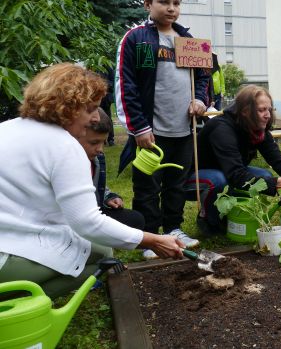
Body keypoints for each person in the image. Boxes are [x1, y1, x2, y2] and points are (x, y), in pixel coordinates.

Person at [0, 64, 183, 298]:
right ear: (68, 108)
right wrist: (153, 240)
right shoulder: (63, 145)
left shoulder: (8, 128)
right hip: (7, 257)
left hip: (12, 235)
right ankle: (18, 297)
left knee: (101, 249)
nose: (96, 117)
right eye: (92, 109)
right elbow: (87, 222)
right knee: (104, 262)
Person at [115, 0, 210, 259]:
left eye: (176, 3)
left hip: (183, 129)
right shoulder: (137, 39)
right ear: (148, 4)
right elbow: (126, 85)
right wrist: (138, 128)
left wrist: (201, 100)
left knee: (176, 183)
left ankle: (174, 227)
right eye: (164, 2)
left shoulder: (189, 42)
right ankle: (152, 238)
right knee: (147, 186)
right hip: (150, 132)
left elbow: (203, 78)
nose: (171, 8)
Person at [193, 85, 281, 234]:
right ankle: (207, 219)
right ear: (245, 111)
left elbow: (278, 161)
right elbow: (237, 175)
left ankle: (233, 213)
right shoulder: (222, 129)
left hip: (228, 171)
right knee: (218, 180)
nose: (267, 115)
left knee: (264, 176)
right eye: (261, 110)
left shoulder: (256, 128)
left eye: (269, 110)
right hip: (196, 175)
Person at [78, 108, 145, 229]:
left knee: (136, 219)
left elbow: (96, 185)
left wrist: (108, 197)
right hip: (75, 219)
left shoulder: (97, 158)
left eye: (103, 142)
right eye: (94, 142)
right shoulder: (67, 161)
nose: (100, 149)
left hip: (94, 213)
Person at [98, 65, 115, 146]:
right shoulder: (94, 66)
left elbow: (113, 83)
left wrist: (103, 84)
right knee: (98, 119)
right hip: (97, 97)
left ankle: (110, 139)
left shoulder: (108, 68)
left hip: (106, 99)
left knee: (108, 118)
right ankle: (101, 139)